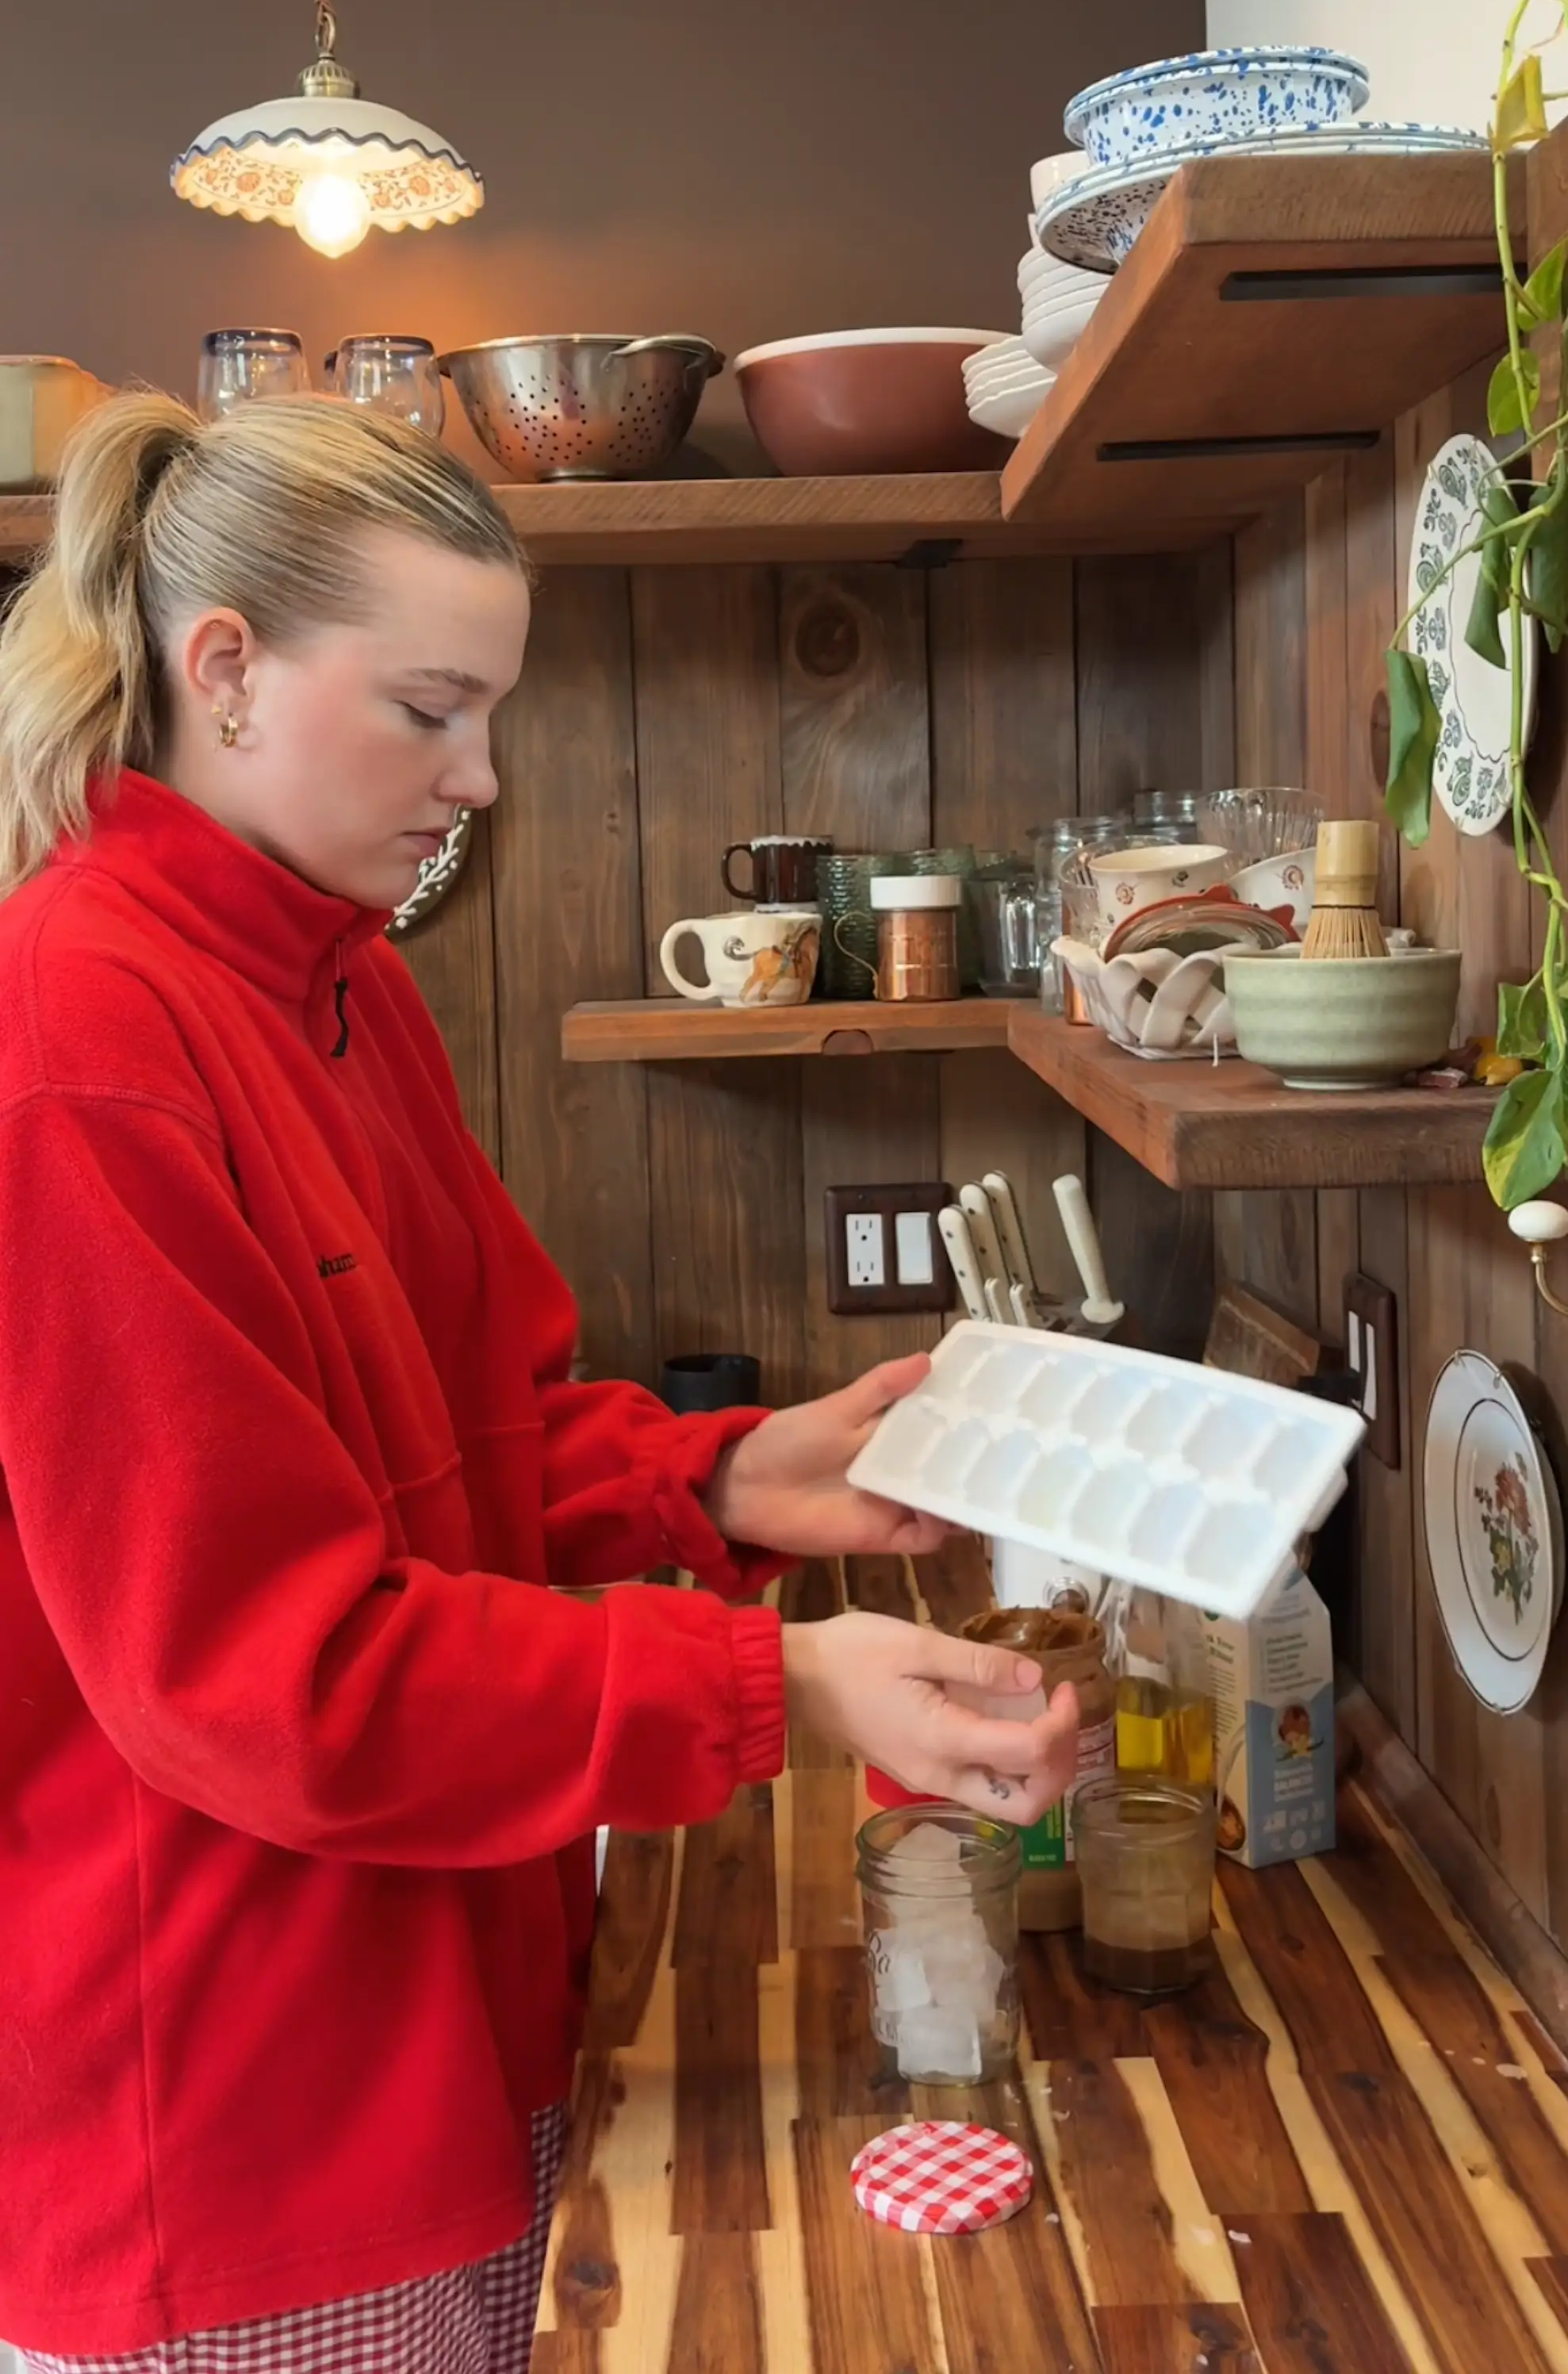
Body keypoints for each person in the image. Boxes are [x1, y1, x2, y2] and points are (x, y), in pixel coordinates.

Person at [0, 393, 1079, 2372]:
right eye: (429, 709)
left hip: (467, 2004)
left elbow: (479, 1433)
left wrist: (734, 1481)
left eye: (491, 714)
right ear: (220, 666)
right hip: (251, 2133)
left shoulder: (339, 981)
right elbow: (274, 1676)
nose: (480, 777)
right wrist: (783, 1683)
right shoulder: (74, 1041)